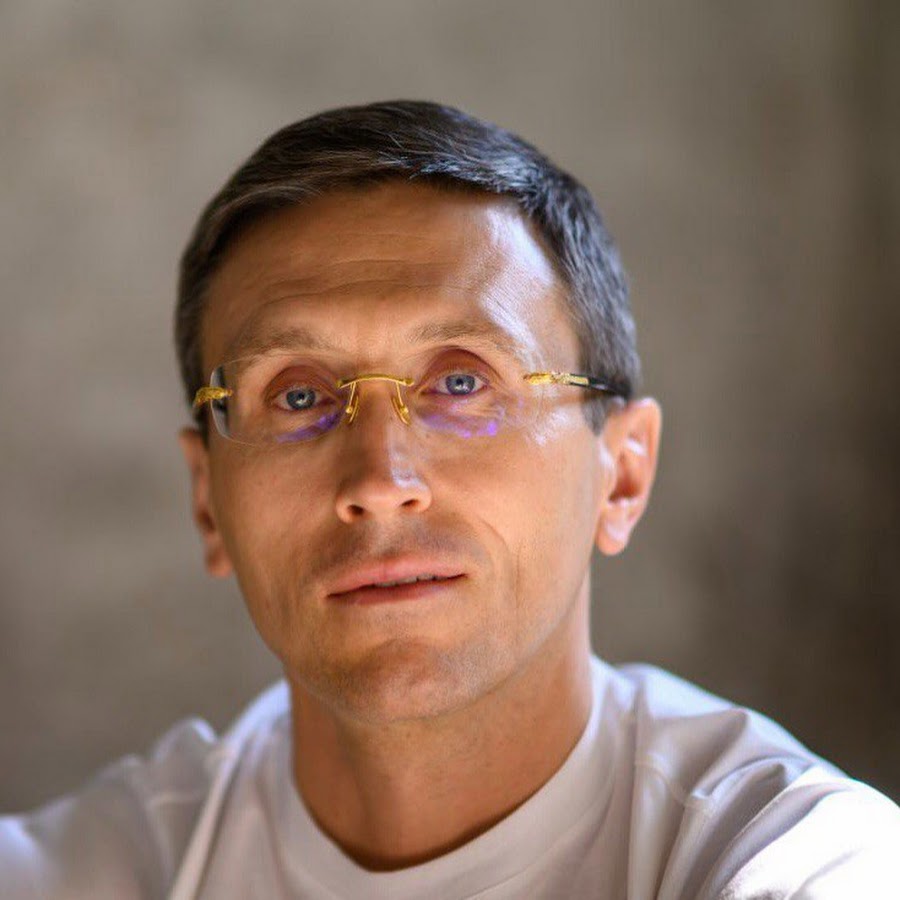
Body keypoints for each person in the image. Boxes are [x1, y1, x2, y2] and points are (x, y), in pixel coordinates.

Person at [1, 100, 897, 900]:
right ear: (208, 501)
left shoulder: (796, 861)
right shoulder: (87, 875)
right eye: (299, 395)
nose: (379, 482)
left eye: (463, 382)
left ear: (621, 475)